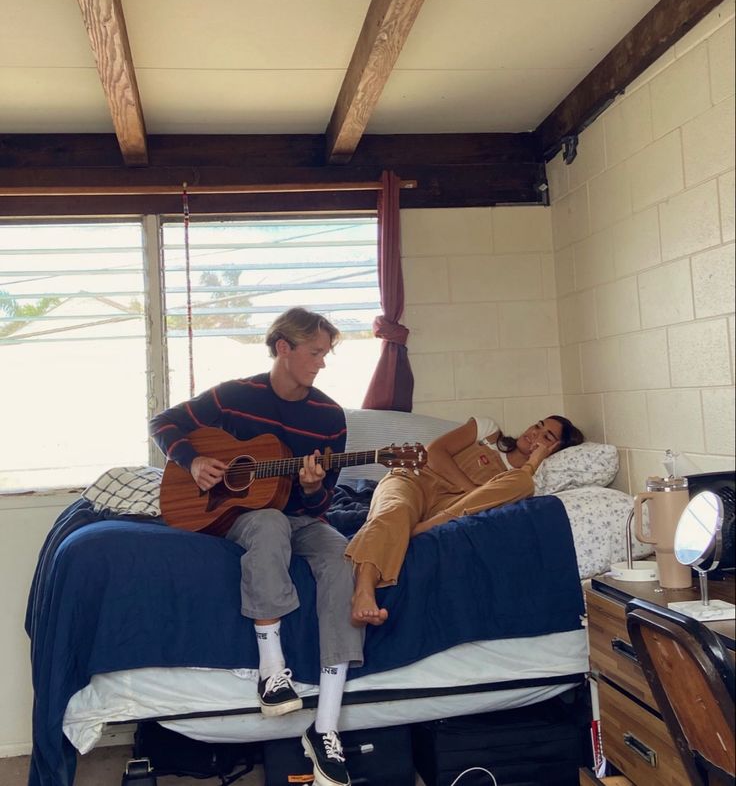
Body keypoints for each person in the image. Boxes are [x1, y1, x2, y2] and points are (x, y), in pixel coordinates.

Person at [150, 307, 361, 786]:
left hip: (304, 518)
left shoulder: (329, 417)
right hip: (239, 515)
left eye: (326, 354)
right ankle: (273, 669)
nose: (322, 363)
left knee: (342, 559)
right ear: (283, 348)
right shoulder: (233, 396)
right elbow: (163, 423)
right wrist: (194, 459)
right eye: (315, 353)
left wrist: (309, 486)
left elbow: (323, 499)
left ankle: (325, 727)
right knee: (267, 522)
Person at [345, 414, 584, 627]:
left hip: (449, 508)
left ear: (553, 450)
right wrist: (470, 489)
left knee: (523, 483)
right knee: (394, 509)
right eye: (537, 425)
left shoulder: (528, 478)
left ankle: (417, 530)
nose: (535, 434)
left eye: (547, 436)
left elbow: (515, 487)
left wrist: (534, 462)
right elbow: (433, 452)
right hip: (414, 479)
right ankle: (364, 591)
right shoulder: (488, 430)